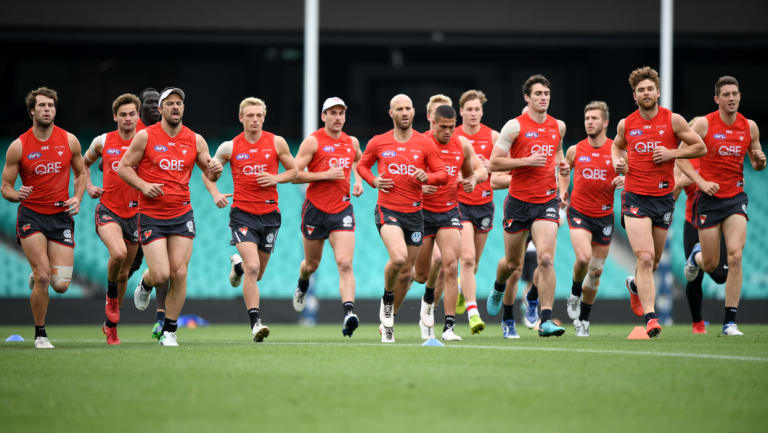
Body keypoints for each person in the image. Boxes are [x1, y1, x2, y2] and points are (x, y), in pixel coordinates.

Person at [119, 87, 220, 347]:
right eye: (170, 104)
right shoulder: (145, 137)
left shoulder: (195, 139)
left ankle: (170, 331)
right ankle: (145, 281)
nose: (176, 107)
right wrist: (142, 185)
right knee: (161, 274)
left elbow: (209, 170)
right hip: (151, 215)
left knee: (180, 272)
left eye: (179, 103)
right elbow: (123, 167)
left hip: (181, 213)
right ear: (160, 109)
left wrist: (216, 169)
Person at [611, 66, 706, 338]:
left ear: (658, 92)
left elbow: (700, 147)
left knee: (652, 263)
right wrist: (620, 161)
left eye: (650, 89)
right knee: (645, 256)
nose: (646, 93)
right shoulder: (626, 123)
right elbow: (617, 145)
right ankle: (651, 318)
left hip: (663, 198)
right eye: (641, 90)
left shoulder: (673, 121)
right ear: (635, 96)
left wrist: (671, 153)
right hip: (634, 196)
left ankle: (634, 286)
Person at [202, 97, 297, 343]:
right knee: (253, 267)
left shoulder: (276, 142)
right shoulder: (229, 147)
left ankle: (237, 266)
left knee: (257, 272)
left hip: (270, 215)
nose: (254, 119)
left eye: (258, 115)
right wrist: (215, 193)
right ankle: (256, 324)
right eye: (250, 115)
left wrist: (276, 179)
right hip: (242, 214)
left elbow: (294, 171)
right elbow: (208, 173)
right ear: (241, 118)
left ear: (264, 117)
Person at [677, 76, 765, 336]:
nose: (731, 98)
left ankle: (730, 322)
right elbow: (680, 157)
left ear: (740, 96)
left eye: (735, 93)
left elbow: (757, 162)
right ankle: (697, 255)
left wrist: (760, 161)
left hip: (735, 198)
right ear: (717, 99)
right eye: (726, 94)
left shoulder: (750, 127)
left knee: (736, 256)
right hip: (709, 201)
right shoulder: (704, 124)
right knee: (712, 264)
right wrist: (701, 182)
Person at [357, 93, 447, 343]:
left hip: (415, 214)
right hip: (388, 210)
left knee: (408, 274)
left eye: (408, 108)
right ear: (391, 113)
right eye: (400, 109)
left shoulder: (424, 144)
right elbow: (362, 166)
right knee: (398, 259)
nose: (405, 112)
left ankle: (390, 318)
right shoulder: (379, 142)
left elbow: (442, 174)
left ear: (414, 112)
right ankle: (386, 301)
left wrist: (426, 177)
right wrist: (374, 180)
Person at [1, 87, 86, 349]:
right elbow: (5, 186)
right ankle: (40, 334)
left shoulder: (69, 140)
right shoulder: (19, 146)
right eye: (42, 106)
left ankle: (39, 271)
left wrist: (78, 198)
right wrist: (16, 195)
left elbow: (81, 174)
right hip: (32, 216)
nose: (47, 109)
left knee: (60, 284)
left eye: (51, 105)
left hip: (60, 216)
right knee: (43, 277)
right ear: (32, 111)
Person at [488, 74, 570, 338]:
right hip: (518, 203)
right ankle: (503, 300)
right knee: (513, 265)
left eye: (546, 93)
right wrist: (525, 161)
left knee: (546, 259)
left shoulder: (558, 126)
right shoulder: (514, 127)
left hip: (546, 201)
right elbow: (494, 163)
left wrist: (562, 170)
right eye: (537, 94)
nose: (543, 98)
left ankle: (545, 319)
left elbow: (557, 154)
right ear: (527, 97)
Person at [290, 97, 363, 337]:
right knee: (312, 265)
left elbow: (359, 161)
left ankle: (348, 313)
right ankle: (302, 283)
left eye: (341, 113)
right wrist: (324, 175)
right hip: (315, 210)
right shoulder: (313, 142)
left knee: (345, 263)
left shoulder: (351, 142)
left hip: (342, 210)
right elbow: (294, 174)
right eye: (332, 112)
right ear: (324, 116)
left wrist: (359, 181)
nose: (338, 117)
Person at [412, 104, 484, 341]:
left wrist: (471, 180)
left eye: (451, 127)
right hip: (422, 212)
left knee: (451, 266)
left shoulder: (461, 144)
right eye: (443, 127)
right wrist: (421, 185)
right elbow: (405, 177)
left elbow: (472, 171)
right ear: (432, 121)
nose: (447, 132)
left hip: (449, 212)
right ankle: (426, 296)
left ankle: (449, 327)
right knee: (421, 275)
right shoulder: (420, 143)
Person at [82, 93, 143, 344]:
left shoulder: (146, 141)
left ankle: (111, 325)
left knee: (124, 273)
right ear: (115, 116)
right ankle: (110, 298)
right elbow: (83, 164)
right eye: (123, 114)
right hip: (109, 210)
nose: (128, 118)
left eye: (132, 114)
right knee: (117, 254)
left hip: (137, 214)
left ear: (137, 116)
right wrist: (88, 186)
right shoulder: (102, 141)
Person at [562, 101, 622, 337]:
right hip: (579, 212)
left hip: (604, 216)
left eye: (595, 118)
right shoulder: (575, 150)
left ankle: (584, 320)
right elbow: (564, 170)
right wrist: (563, 190)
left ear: (605, 123)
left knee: (596, 271)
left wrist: (624, 180)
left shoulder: (615, 151)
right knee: (584, 257)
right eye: (587, 118)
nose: (590, 122)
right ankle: (575, 292)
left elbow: (629, 175)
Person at [127, 86, 169, 340]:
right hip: (130, 211)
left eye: (158, 103)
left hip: (159, 211)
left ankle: (161, 317)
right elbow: (110, 163)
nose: (154, 107)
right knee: (128, 265)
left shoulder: (170, 132)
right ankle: (113, 317)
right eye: (150, 103)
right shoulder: (136, 133)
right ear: (140, 107)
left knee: (166, 268)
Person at [454, 89, 499, 330]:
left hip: (484, 205)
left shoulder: (493, 137)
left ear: (482, 111)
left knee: (475, 263)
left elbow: (506, 171)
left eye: (477, 109)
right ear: (461, 111)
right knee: (468, 258)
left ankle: (463, 288)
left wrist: (492, 166)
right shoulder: (455, 135)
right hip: (460, 204)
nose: (473, 113)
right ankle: (473, 312)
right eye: (469, 109)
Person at [672, 145, 728, 334]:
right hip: (693, 224)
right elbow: (670, 199)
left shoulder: (716, 155)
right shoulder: (683, 161)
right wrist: (680, 182)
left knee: (721, 276)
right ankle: (697, 324)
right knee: (694, 278)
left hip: (716, 224)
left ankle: (697, 256)